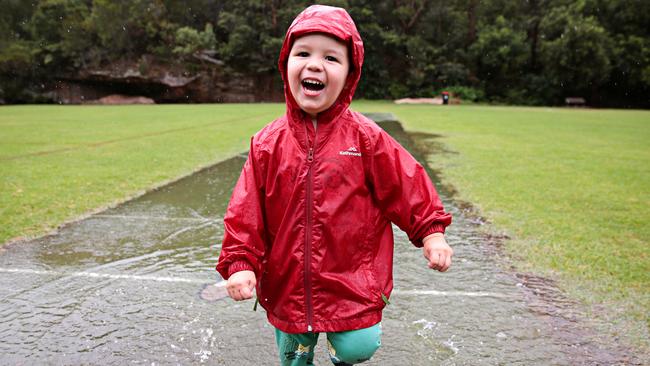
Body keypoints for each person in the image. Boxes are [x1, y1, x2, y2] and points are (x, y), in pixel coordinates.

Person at [216, 5, 453, 365]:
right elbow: (245, 213)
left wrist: (432, 233)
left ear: (349, 75)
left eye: (331, 58)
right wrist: (241, 263)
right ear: (286, 65)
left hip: (351, 280)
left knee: (359, 347)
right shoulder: (267, 143)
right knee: (295, 356)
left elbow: (406, 185)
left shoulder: (366, 138)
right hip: (287, 284)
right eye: (303, 54)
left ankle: (340, 355)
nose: (314, 65)